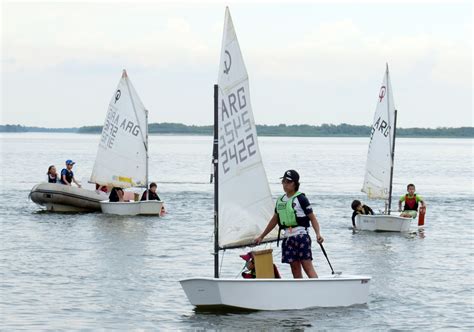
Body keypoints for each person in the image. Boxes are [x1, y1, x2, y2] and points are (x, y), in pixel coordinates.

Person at [255, 170, 324, 279]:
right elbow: (274, 220)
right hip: (288, 238)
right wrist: (261, 236)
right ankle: (299, 292)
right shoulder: (280, 201)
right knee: (295, 269)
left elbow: (313, 218)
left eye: (288, 182)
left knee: (307, 266)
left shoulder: (301, 199)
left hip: (301, 236)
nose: (285, 184)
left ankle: (317, 291)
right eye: (283, 181)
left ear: (295, 183)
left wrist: (318, 234)